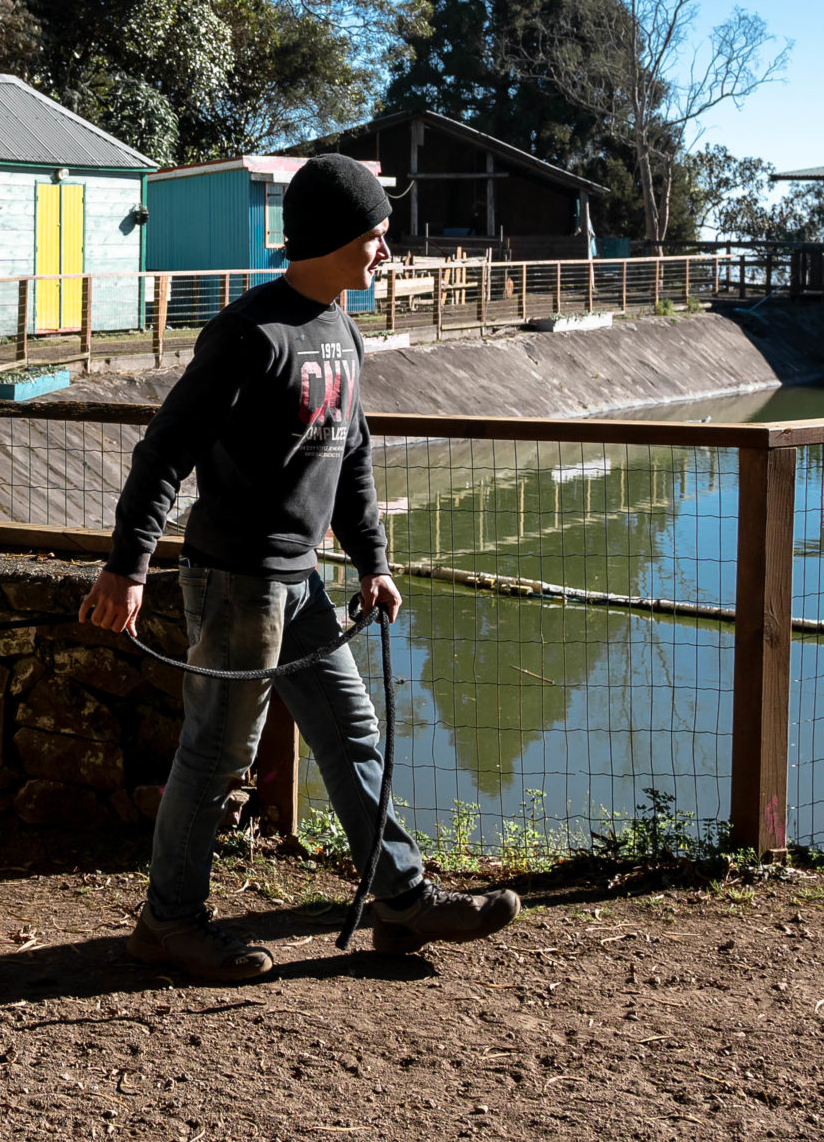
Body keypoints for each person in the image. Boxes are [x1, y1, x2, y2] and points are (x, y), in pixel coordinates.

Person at [79, 154, 522, 984]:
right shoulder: (252, 333)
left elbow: (349, 459)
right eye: (377, 234)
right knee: (216, 756)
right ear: (334, 236)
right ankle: (168, 922)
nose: (387, 250)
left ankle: (401, 901)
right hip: (236, 580)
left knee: (352, 731)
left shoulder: (343, 332)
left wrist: (374, 562)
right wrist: (127, 566)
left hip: (302, 580)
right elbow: (165, 450)